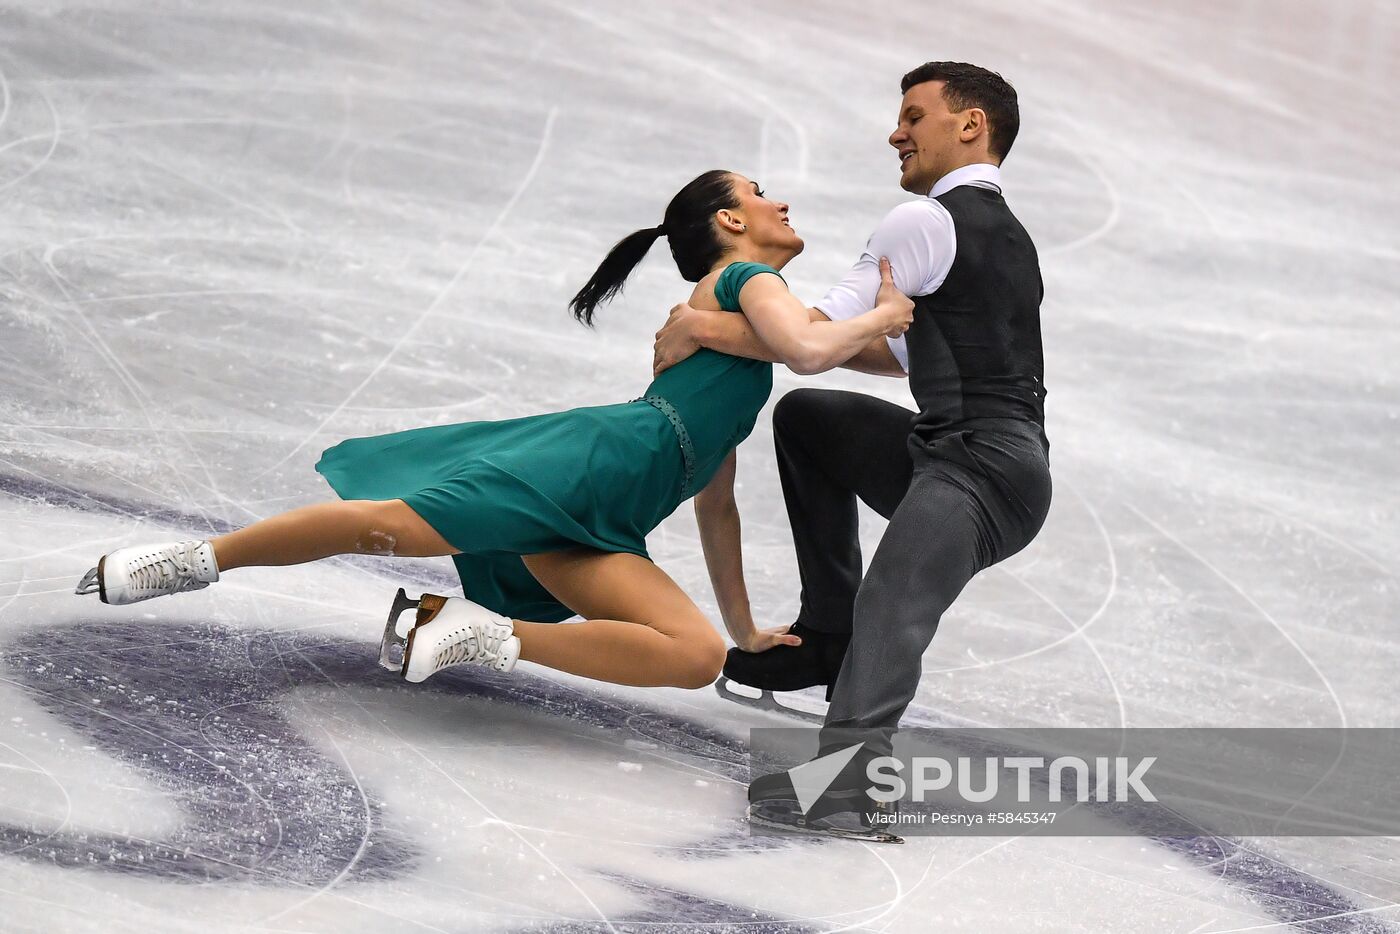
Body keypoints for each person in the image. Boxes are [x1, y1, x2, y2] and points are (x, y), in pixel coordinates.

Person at [75, 170, 914, 692]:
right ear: (730, 224)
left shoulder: (739, 341)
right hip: (593, 464)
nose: (781, 200)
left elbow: (718, 504)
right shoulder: (742, 279)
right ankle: (189, 560)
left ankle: (477, 630)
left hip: (612, 516)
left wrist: (743, 631)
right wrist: (889, 312)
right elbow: (809, 345)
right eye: (760, 192)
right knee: (395, 524)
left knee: (693, 656)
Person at [651, 62, 1052, 837]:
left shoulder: (924, 222)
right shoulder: (1003, 235)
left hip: (978, 470)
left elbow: (807, 335)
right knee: (811, 419)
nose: (895, 132)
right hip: (969, 453)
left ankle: (853, 780)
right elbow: (880, 354)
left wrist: (700, 324)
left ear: (970, 125)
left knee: (896, 600)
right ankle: (827, 636)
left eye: (913, 115)